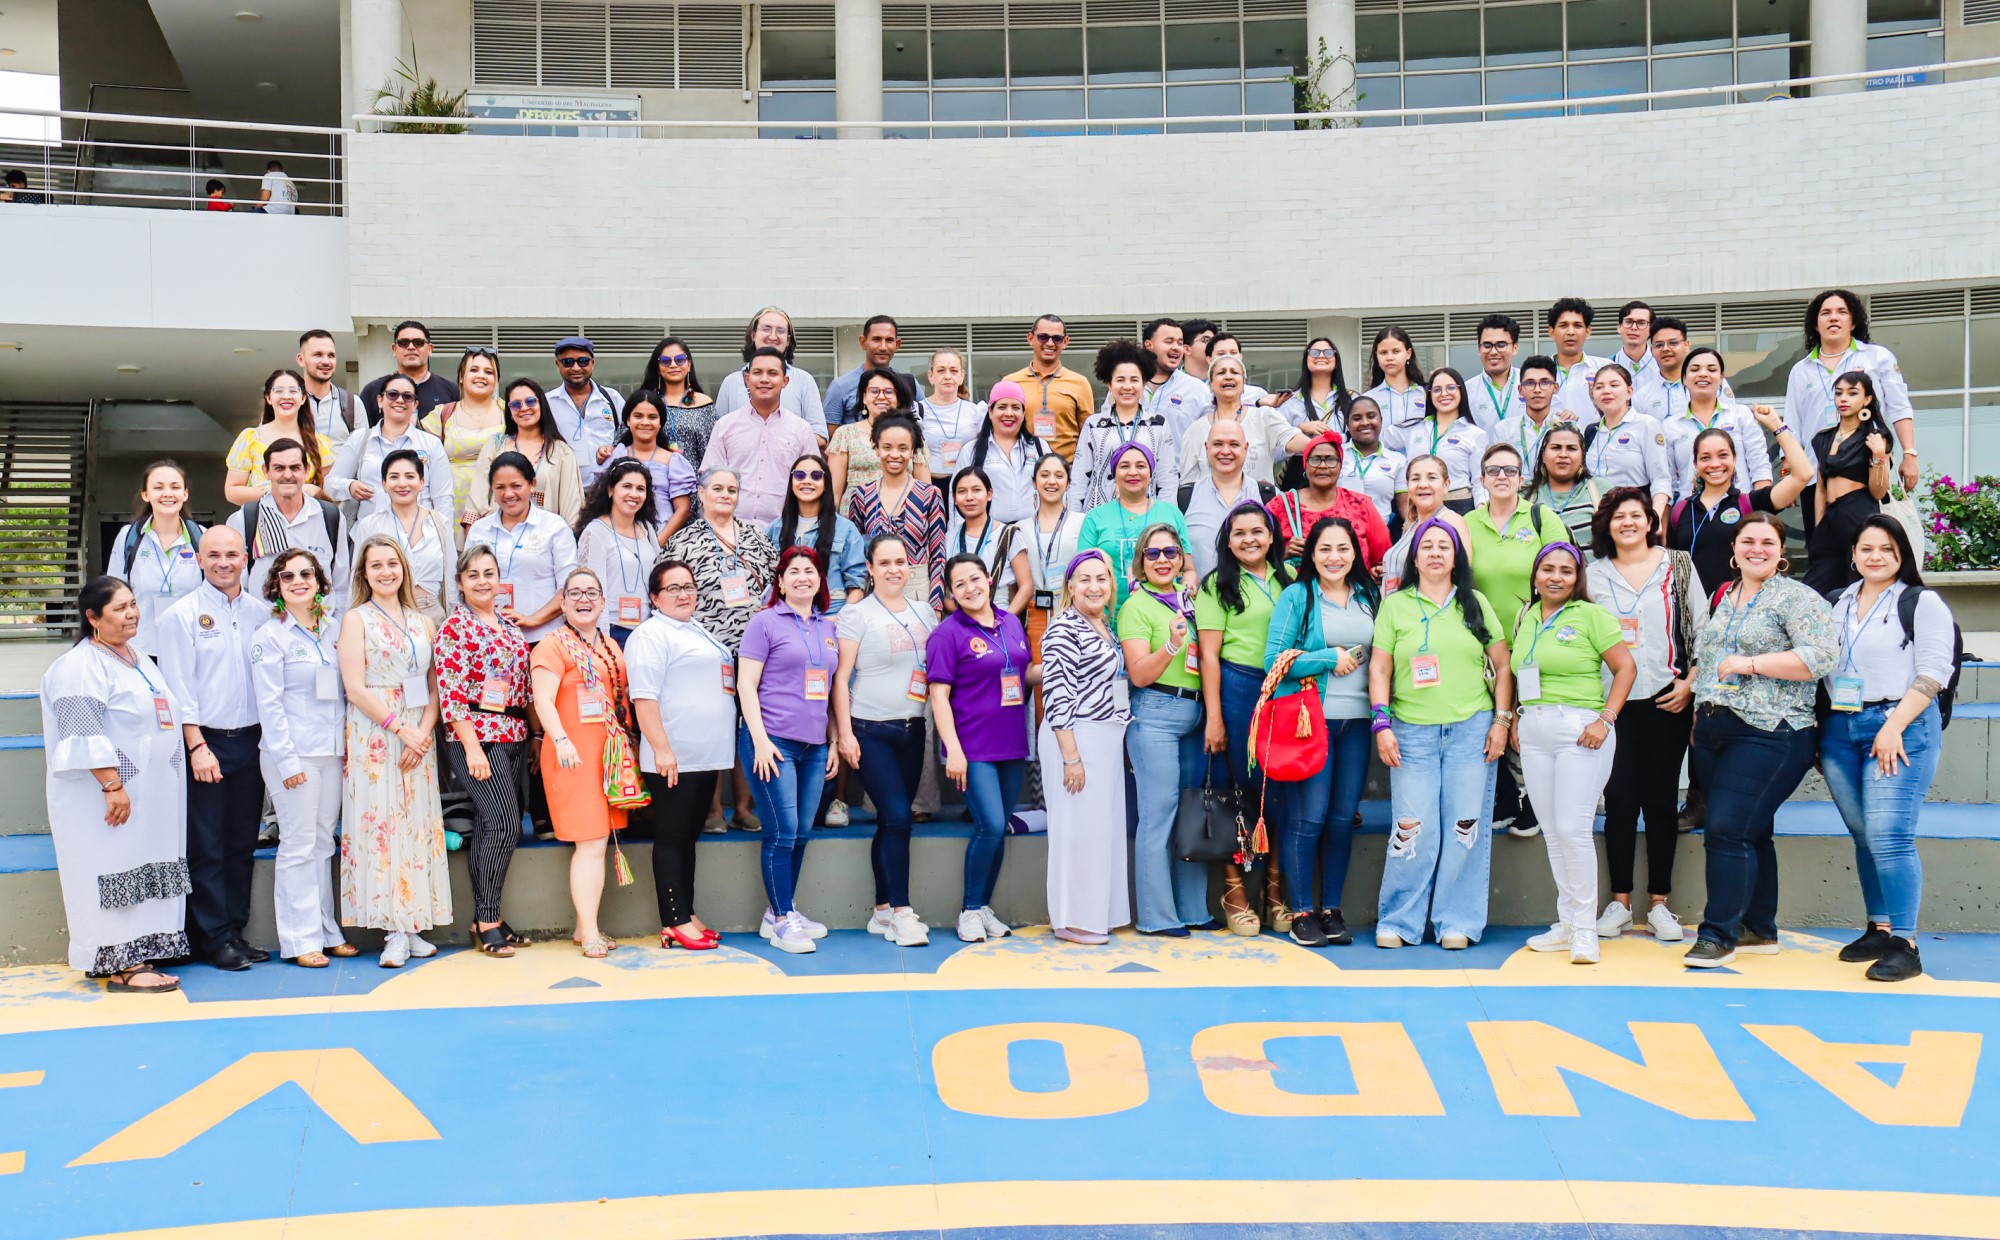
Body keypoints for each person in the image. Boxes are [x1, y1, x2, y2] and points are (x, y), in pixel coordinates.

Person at [1684, 512, 1839, 968]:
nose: (1757, 549)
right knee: (1754, 831)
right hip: (1715, 728)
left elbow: (1821, 657)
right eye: (1748, 541)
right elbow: (1710, 658)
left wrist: (1753, 664)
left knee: (1726, 828)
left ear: (1780, 552)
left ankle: (1718, 935)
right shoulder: (1724, 595)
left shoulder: (1798, 599)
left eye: (1767, 542)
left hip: (1771, 731)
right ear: (1733, 550)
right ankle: (1759, 927)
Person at [1821, 515, 1954, 983]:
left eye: (1886, 549)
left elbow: (1935, 671)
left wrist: (1894, 725)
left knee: (1889, 835)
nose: (1875, 556)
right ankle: (1879, 927)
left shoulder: (1921, 602)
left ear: (1902, 554)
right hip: (1841, 726)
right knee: (1863, 834)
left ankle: (1906, 942)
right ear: (1853, 553)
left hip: (1900, 724)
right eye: (1866, 548)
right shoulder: (1838, 602)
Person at [1369, 518, 1512, 949]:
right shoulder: (1396, 606)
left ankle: (1457, 921)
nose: (1434, 552)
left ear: (1456, 557)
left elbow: (1503, 665)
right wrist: (1381, 722)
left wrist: (1502, 721)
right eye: (1426, 546)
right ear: (1414, 557)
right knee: (1413, 828)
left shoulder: (1476, 603)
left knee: (1465, 827)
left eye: (1443, 547)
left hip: (1471, 730)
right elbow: (1380, 667)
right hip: (1411, 732)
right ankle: (1399, 921)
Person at [40, 578, 189, 991]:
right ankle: (121, 963)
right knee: (112, 869)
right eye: (120, 608)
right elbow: (81, 731)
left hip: (151, 794)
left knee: (141, 866)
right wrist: (111, 785)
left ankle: (142, 953)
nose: (132, 613)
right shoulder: (79, 666)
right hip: (108, 798)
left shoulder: (136, 656)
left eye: (133, 604)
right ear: (92, 618)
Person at [1587, 488, 1704, 944]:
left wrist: (1689, 685)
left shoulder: (1677, 565)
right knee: (1618, 803)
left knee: (1659, 804)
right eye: (1619, 517)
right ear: (1607, 524)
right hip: (1610, 703)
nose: (1629, 523)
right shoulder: (1592, 574)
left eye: (1637, 515)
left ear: (1650, 520)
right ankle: (1618, 903)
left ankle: (1659, 903)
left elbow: (1704, 627)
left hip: (1666, 697)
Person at [1510, 543, 1636, 965]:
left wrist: (1606, 719)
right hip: (1535, 727)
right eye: (1548, 569)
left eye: (1566, 570)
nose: (1556, 577)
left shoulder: (1591, 615)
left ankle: (1586, 929)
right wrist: (1514, 719)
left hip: (1580, 728)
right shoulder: (1526, 616)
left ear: (1577, 577)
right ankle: (1567, 923)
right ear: (1535, 574)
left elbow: (1626, 667)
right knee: (1552, 830)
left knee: (1572, 827)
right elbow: (1521, 673)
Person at [155, 527, 267, 971]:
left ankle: (234, 931)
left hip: (253, 741)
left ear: (246, 559)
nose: (224, 562)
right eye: (214, 555)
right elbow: (177, 689)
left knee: (241, 843)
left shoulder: (262, 613)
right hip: (207, 742)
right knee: (207, 845)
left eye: (232, 554)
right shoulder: (181, 616)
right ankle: (212, 936)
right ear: (199, 560)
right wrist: (196, 745)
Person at [339, 534, 452, 967]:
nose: (386, 571)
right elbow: (355, 687)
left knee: (415, 823)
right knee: (381, 823)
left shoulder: (423, 622)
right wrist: (401, 730)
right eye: (376, 565)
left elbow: (434, 685)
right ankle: (392, 928)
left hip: (417, 734)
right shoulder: (356, 619)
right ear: (364, 574)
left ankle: (414, 920)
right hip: (377, 732)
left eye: (392, 563)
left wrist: (422, 734)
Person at [1264, 516, 1376, 947]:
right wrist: (1327, 657)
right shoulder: (1297, 596)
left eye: (1343, 549)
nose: (1334, 557)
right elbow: (1274, 661)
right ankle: (1302, 911)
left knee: (1341, 820)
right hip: (1312, 721)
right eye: (1325, 549)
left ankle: (1332, 908)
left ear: (1355, 554)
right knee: (1307, 819)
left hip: (1359, 722)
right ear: (1311, 553)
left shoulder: (1368, 595)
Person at [248, 547, 353, 967]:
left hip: (332, 753)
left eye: (306, 574)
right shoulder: (269, 636)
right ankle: (299, 939)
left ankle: (327, 931)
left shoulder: (334, 629)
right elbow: (268, 706)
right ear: (276, 586)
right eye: (288, 576)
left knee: (324, 842)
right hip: (292, 755)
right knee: (297, 844)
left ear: (320, 582)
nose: (298, 582)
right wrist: (287, 763)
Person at [832, 534, 939, 947]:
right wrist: (844, 734)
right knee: (898, 816)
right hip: (870, 730)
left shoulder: (925, 611)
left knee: (891, 822)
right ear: (871, 569)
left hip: (913, 730)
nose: (894, 569)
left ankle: (880, 910)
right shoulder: (856, 614)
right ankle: (902, 911)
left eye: (900, 561)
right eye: (885, 562)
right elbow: (841, 678)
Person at [627, 558, 736, 950]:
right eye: (672, 588)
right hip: (675, 756)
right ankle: (673, 919)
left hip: (705, 755)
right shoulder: (650, 635)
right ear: (654, 597)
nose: (683, 593)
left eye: (688, 586)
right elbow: (644, 697)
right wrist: (661, 749)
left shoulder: (696, 629)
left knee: (689, 837)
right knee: (672, 837)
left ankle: (687, 913)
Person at [1195, 503, 1294, 935]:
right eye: (1239, 533)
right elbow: (1209, 657)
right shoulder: (1217, 584)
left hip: (1286, 691)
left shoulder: (1290, 577)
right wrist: (1215, 717)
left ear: (1272, 537)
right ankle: (1234, 889)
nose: (1249, 539)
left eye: (1258, 531)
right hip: (1237, 688)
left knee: (1282, 790)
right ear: (1227, 541)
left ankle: (1274, 890)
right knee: (1237, 789)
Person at [663, 469, 780, 834]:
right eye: (718, 488)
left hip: (753, 651)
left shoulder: (757, 538)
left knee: (748, 725)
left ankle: (744, 807)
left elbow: (779, 584)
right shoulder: (683, 541)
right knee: (714, 726)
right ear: (700, 493)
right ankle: (713, 808)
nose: (725, 495)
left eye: (732, 489)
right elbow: (668, 590)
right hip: (704, 649)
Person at [736, 548, 840, 953]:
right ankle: (782, 920)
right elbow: (746, 686)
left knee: (801, 833)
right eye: (792, 571)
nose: (801, 577)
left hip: (815, 746)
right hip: (773, 741)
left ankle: (781, 909)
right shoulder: (764, 622)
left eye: (809, 571)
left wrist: (832, 740)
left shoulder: (828, 627)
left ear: (819, 580)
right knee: (782, 832)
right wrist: (759, 740)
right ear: (779, 582)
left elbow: (829, 691)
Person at [927, 554, 1034, 943]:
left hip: (1011, 743)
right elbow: (939, 697)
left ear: (989, 580)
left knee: (999, 828)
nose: (970, 588)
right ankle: (970, 909)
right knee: (988, 824)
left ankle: (984, 906)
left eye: (975, 579)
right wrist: (952, 750)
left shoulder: (1010, 623)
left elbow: (1023, 673)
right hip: (972, 747)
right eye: (960, 585)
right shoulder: (946, 634)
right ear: (951, 594)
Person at [434, 545, 533, 957]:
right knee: (503, 822)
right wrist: (472, 748)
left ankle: (487, 916)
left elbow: (522, 686)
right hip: (475, 734)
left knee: (497, 827)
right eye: (472, 574)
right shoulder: (455, 628)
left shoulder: (509, 628)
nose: (481, 581)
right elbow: (451, 695)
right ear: (460, 582)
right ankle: (487, 921)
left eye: (488, 573)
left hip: (512, 732)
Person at [529, 567, 633, 958]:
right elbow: (542, 701)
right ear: (563, 602)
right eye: (574, 593)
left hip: (606, 759)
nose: (583, 599)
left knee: (598, 842)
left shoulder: (609, 647)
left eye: (592, 592)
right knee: (590, 843)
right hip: (571, 755)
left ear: (603, 602)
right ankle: (590, 931)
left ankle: (582, 927)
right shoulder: (551, 645)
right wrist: (560, 740)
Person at [1465, 441, 1566, 840]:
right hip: (1484, 644)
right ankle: (1506, 799)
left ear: (1522, 479)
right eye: (1493, 470)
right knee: (1492, 720)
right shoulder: (1468, 522)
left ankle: (1535, 803)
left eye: (1509, 470)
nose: (1502, 477)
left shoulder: (1542, 518)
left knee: (1527, 724)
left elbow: (1564, 571)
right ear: (1482, 479)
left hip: (1531, 642)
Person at [1118, 523, 1214, 938]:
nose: (1162, 560)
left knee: (1191, 813)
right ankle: (1157, 916)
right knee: (1158, 816)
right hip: (1156, 711)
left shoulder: (1191, 601)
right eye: (1153, 554)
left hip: (1195, 715)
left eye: (1171, 553)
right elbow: (1138, 674)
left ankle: (1193, 908)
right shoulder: (1135, 607)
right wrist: (1172, 646)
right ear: (1140, 561)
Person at [1038, 549, 1131, 945]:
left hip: (1106, 737)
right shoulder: (1063, 628)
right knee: (1075, 831)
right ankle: (1070, 919)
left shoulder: (1103, 626)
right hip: (1076, 736)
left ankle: (1097, 913)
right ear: (1070, 587)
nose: (1095, 586)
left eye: (1102, 579)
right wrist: (1071, 757)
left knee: (1100, 832)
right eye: (1086, 579)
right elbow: (1057, 696)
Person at [1784, 289, 1918, 493]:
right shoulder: (1801, 370)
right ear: (1815, 324)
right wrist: (1789, 468)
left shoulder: (1877, 357)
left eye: (1842, 312)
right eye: (1825, 313)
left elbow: (1899, 408)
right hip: (1816, 474)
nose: (1834, 318)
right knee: (1819, 525)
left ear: (1853, 322)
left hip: (1867, 471)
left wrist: (1909, 454)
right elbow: (1793, 423)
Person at [1666, 411, 1814, 593]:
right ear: (1695, 463)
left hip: (1741, 611)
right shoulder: (1680, 511)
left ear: (1734, 459)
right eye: (1705, 457)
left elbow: (1803, 474)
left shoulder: (1751, 503)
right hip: (1694, 615)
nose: (1715, 464)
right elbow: (1672, 568)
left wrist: (1776, 425)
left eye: (1723, 455)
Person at [465, 453, 581, 643]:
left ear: (532, 484)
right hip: (489, 638)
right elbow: (466, 583)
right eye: (500, 487)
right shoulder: (480, 530)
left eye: (516, 486)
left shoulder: (554, 527)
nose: (508, 494)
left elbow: (568, 588)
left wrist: (533, 619)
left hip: (543, 637)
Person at [227, 438, 349, 606]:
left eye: (295, 468)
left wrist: (336, 627)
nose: (287, 475)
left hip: (319, 627)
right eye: (279, 468)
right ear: (265, 471)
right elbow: (235, 585)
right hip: (263, 625)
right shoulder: (246, 518)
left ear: (306, 470)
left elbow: (341, 585)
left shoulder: (329, 517)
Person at [846, 413, 949, 612]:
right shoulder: (862, 495)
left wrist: (935, 607)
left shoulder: (929, 495)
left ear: (912, 451)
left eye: (903, 448)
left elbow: (938, 555)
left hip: (917, 589)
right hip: (874, 590)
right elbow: (856, 553)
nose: (895, 455)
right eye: (887, 447)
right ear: (876, 448)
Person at [707, 347, 821, 525]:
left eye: (773, 373)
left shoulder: (802, 429)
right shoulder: (725, 426)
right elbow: (710, 479)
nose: (764, 379)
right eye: (757, 373)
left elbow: (813, 481)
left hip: (783, 532)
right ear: (747, 379)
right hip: (731, 530)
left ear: (785, 381)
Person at [1806, 372, 1894, 598]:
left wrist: (1878, 454)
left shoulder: (1874, 436)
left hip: (1859, 512)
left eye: (1852, 393)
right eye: (1838, 393)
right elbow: (1821, 486)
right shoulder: (1823, 438)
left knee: (1857, 582)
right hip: (1830, 517)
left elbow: (1878, 491)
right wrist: (1819, 523)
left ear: (1866, 400)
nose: (1843, 399)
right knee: (1813, 589)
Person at [1077, 442, 1192, 612]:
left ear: (1151, 474)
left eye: (1140, 466)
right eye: (1124, 466)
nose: (1133, 472)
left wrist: (1188, 590)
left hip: (1165, 618)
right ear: (1114, 475)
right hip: (1109, 619)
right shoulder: (1096, 517)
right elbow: (1082, 572)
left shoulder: (1172, 514)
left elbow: (1188, 570)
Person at [1178, 354, 1319, 490]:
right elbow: (1188, 484)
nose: (1228, 376)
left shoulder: (1264, 417)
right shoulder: (1195, 430)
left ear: (1244, 383)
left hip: (1258, 509)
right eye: (1221, 373)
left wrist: (1323, 445)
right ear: (1211, 384)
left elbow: (1292, 439)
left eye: (1235, 372)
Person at [349, 448, 457, 625]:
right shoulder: (370, 525)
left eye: (410, 476)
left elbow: (452, 577)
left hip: (432, 613)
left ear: (422, 482)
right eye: (393, 477)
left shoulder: (439, 523)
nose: (402, 483)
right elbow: (357, 578)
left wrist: (454, 621)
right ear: (384, 484)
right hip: (384, 614)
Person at [107, 461, 205, 655]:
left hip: (192, 647)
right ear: (145, 495)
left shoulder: (201, 536)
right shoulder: (128, 537)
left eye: (175, 487)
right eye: (158, 487)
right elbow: (113, 592)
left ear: (185, 494)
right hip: (140, 648)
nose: (167, 493)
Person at [327, 372, 453, 522]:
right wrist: (349, 486)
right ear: (380, 400)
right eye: (392, 394)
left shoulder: (431, 444)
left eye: (407, 396)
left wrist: (443, 539)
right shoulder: (360, 439)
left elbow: (443, 499)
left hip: (419, 537)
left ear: (415, 405)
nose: (400, 400)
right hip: (371, 537)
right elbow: (330, 484)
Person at [1267, 430, 1395, 578]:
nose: (1322, 466)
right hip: (1298, 596)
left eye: (1330, 460)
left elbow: (1383, 558)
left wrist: (1375, 573)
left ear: (1340, 466)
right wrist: (1282, 553)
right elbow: (1257, 556)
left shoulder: (1360, 504)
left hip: (1353, 595)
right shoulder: (1281, 505)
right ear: (1305, 465)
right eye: (1315, 459)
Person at [1070, 340, 1178, 512]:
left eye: (1134, 380)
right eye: (1120, 380)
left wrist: (1165, 519)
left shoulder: (1158, 424)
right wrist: (1074, 520)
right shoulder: (1094, 425)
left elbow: (1167, 480)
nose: (1127, 387)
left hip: (1147, 518)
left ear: (1143, 383)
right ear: (1109, 384)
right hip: (1099, 516)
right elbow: (1079, 479)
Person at [1658, 344, 1774, 499]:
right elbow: (1667, 481)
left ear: (1721, 378)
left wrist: (1760, 509)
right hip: (1693, 513)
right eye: (1695, 369)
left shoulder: (1740, 415)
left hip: (1741, 509)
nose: (1703, 374)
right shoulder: (1671, 425)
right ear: (1684, 378)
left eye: (1711, 370)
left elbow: (1760, 467)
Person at [469, 378, 585, 527]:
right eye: (516, 404)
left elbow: (572, 509)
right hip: (499, 537)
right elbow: (477, 498)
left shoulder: (561, 452)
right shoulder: (495, 446)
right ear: (510, 412)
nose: (524, 408)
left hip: (545, 541)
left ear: (541, 404)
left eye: (530, 401)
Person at [573, 461, 662, 645]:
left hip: (648, 630)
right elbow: (593, 591)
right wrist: (602, 641)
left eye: (640, 489)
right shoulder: (596, 532)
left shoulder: (646, 529)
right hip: (614, 631)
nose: (634, 494)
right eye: (627, 486)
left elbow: (659, 575)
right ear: (611, 490)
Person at [771, 453, 867, 613]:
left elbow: (857, 584)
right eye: (799, 475)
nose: (807, 481)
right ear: (791, 482)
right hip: (786, 614)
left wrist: (839, 620)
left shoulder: (846, 530)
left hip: (832, 613)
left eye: (816, 476)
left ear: (826, 483)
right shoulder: (775, 528)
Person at [1180, 420, 1275, 580]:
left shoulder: (1268, 497)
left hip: (1258, 600)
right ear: (1206, 447)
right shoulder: (1184, 497)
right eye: (1218, 444)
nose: (1225, 451)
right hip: (1200, 600)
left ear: (1245, 449)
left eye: (1234, 444)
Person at [419, 348, 507, 519]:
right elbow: (425, 467)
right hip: (450, 506)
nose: (481, 375)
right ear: (461, 376)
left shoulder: (509, 413)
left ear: (496, 380)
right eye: (474, 370)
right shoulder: (442, 415)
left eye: (489, 372)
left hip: (498, 504)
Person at [712, 307, 828, 435]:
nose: (773, 336)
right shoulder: (731, 382)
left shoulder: (804, 380)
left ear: (788, 340)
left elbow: (820, 434)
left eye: (780, 331)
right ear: (753, 335)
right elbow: (718, 434)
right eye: (766, 329)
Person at [225, 370, 334, 505]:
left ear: (303, 398)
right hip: (261, 522)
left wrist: (315, 491)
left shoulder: (319, 443)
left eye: (293, 391)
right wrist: (274, 492)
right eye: (278, 391)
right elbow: (232, 491)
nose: (286, 396)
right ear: (268, 398)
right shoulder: (250, 438)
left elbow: (330, 494)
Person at [1389, 368, 1488, 516]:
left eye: (1451, 388)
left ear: (1461, 391)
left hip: (1458, 505)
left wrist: (1481, 510)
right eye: (1436, 390)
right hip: (1419, 506)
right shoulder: (1413, 429)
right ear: (1428, 395)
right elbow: (1374, 437)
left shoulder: (1475, 434)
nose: (1444, 394)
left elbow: (1479, 481)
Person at [828, 367, 929, 508]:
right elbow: (834, 495)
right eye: (874, 391)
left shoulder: (912, 435)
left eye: (888, 392)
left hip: (902, 518)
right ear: (864, 397)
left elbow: (925, 493)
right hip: (854, 519)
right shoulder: (845, 434)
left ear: (898, 398)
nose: (881, 396)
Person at [604, 390, 696, 543]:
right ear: (627, 420)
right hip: (618, 540)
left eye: (652, 417)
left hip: (662, 540)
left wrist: (657, 544)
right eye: (638, 416)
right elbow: (604, 501)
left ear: (660, 423)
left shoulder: (672, 460)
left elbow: (683, 510)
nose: (645, 422)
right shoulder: (616, 455)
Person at [1580, 364, 1671, 516]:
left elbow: (1661, 479)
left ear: (1629, 392)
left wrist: (1655, 518)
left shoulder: (1646, 425)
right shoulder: (1591, 431)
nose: (1606, 391)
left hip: (1634, 513)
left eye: (1614, 385)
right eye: (1599, 387)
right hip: (1597, 515)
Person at [1003, 314, 1096, 461]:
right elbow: (1002, 431)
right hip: (1023, 469)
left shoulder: (1080, 383)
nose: (1050, 343)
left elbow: (1088, 435)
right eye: (1043, 337)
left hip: (1066, 473)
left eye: (1057, 338)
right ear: (1030, 339)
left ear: (1065, 342)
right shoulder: (1010, 383)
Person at [947, 466, 1032, 616]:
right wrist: (966, 620)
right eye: (962, 492)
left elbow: (1026, 586)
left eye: (976, 490)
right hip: (961, 623)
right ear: (954, 499)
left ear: (989, 494)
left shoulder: (1009, 535)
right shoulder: (949, 538)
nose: (969, 497)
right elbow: (944, 591)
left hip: (1000, 618)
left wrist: (1005, 622)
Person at [1378, 455, 1471, 592]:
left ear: (1446, 485)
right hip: (1394, 608)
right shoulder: (1411, 522)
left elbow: (1461, 575)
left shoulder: (1450, 521)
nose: (1422, 484)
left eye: (1432, 478)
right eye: (1415, 478)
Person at [1023, 453, 1081, 660]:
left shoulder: (1082, 522)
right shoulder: (1019, 528)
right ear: (1034, 482)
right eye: (1044, 475)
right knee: (1040, 676)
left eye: (1059, 475)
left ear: (1068, 483)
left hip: (1073, 609)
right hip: (1035, 612)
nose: (1051, 481)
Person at [547, 337, 625, 488]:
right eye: (568, 362)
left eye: (583, 361)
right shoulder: (547, 403)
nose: (576, 368)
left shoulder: (612, 399)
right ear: (557, 364)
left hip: (609, 490)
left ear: (592, 363)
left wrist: (614, 449)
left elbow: (629, 437)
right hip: (564, 490)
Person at [963, 381, 1043, 524]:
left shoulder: (1039, 447)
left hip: (1033, 533)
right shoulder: (971, 450)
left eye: (1016, 407)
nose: (1009, 413)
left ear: (1023, 413)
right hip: (989, 534)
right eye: (1001, 407)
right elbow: (957, 496)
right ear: (990, 411)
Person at [825, 316, 926, 430]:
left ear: (897, 345)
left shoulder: (909, 384)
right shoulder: (840, 387)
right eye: (876, 339)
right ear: (863, 342)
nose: (883, 347)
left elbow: (924, 425)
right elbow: (833, 439)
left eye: (889, 340)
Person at [636, 336, 719, 468]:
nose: (673, 365)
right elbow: (623, 441)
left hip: (693, 484)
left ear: (689, 365)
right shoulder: (645, 402)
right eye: (665, 361)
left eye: (680, 360)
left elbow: (715, 451)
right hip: (651, 481)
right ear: (658, 368)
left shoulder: (705, 403)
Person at [360, 321, 459, 421]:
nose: (411, 347)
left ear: (430, 349)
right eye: (404, 343)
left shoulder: (452, 391)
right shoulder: (373, 390)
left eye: (418, 342)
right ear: (394, 349)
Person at [1335, 397, 1405, 527]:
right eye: (1357, 418)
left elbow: (1404, 506)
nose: (1365, 422)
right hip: (1340, 536)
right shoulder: (1335, 455)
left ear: (1381, 420)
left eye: (1371, 416)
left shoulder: (1398, 460)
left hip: (1380, 537)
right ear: (1347, 424)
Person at [1528, 426, 1601, 546]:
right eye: (1556, 448)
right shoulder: (1524, 494)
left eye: (1571, 448)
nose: (1563, 454)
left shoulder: (1600, 490)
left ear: (1582, 456)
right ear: (1543, 456)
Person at [1493, 356, 1572, 463]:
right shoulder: (1504, 430)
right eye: (1530, 383)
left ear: (1555, 388)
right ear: (1520, 389)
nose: (1537, 390)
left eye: (1544, 383)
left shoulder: (1568, 427)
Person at [917, 349, 984, 473]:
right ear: (930, 376)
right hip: (929, 485)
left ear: (961, 376)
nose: (948, 376)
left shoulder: (976, 412)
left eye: (954, 371)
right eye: (941, 370)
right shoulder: (917, 411)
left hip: (965, 487)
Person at [1546, 298, 1612, 422]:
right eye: (1563, 325)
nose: (1571, 332)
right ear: (1552, 332)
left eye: (1577, 326)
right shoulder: (1540, 373)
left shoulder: (1606, 369)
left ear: (1587, 332)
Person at [296, 329, 364, 448]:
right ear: (301, 360)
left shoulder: (352, 403)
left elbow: (363, 452)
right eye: (318, 355)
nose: (326, 361)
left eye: (331, 355)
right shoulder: (288, 400)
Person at [1276, 336, 1353, 434]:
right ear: (1306, 360)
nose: (1321, 356)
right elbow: (1277, 440)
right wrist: (1300, 428)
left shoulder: (1351, 398)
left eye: (1328, 353)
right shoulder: (1289, 401)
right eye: (1314, 352)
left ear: (1336, 361)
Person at [1464, 314, 1523, 435]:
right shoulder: (1466, 391)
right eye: (1487, 345)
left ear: (1515, 347)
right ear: (1479, 348)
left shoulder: (1530, 383)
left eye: (1501, 345)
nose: (1493, 352)